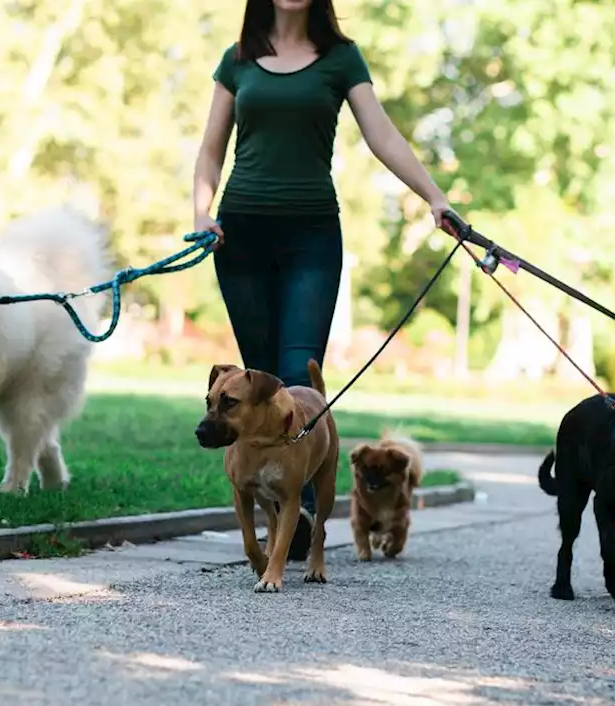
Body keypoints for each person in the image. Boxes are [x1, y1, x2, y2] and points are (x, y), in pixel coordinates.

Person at [192, 0, 456, 560]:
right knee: (257, 381)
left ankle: (302, 511)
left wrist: (434, 198)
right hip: (240, 234)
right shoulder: (237, 59)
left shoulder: (340, 59)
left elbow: (382, 135)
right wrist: (202, 213)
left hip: (312, 235)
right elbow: (211, 148)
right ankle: (279, 513)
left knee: (296, 373)